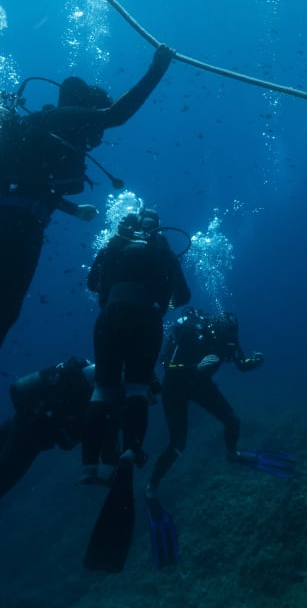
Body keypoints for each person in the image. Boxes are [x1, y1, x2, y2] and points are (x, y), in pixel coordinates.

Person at [0, 44, 175, 351]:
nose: (98, 137)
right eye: (97, 128)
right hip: (15, 228)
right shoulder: (62, 120)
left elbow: (27, 186)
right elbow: (118, 115)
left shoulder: (48, 135)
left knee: (7, 310)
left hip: (19, 224)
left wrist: (71, 209)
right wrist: (158, 68)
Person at [81, 206, 191, 482]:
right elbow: (183, 295)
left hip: (111, 317)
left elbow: (93, 282)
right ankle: (131, 451)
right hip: (146, 319)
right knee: (138, 389)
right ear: (157, 226)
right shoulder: (162, 249)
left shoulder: (116, 245)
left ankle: (90, 467)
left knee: (103, 391)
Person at [145, 307, 266, 499]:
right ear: (215, 330)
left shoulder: (229, 338)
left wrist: (255, 361)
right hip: (175, 388)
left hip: (201, 385)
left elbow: (241, 364)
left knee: (232, 420)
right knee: (178, 444)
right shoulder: (190, 332)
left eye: (231, 338)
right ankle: (152, 485)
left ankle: (232, 453)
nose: (228, 343)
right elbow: (166, 364)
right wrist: (196, 366)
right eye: (224, 338)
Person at [0, 356, 119, 499]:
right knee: (5, 476)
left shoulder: (105, 390)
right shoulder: (107, 393)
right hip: (33, 431)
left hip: (27, 419)